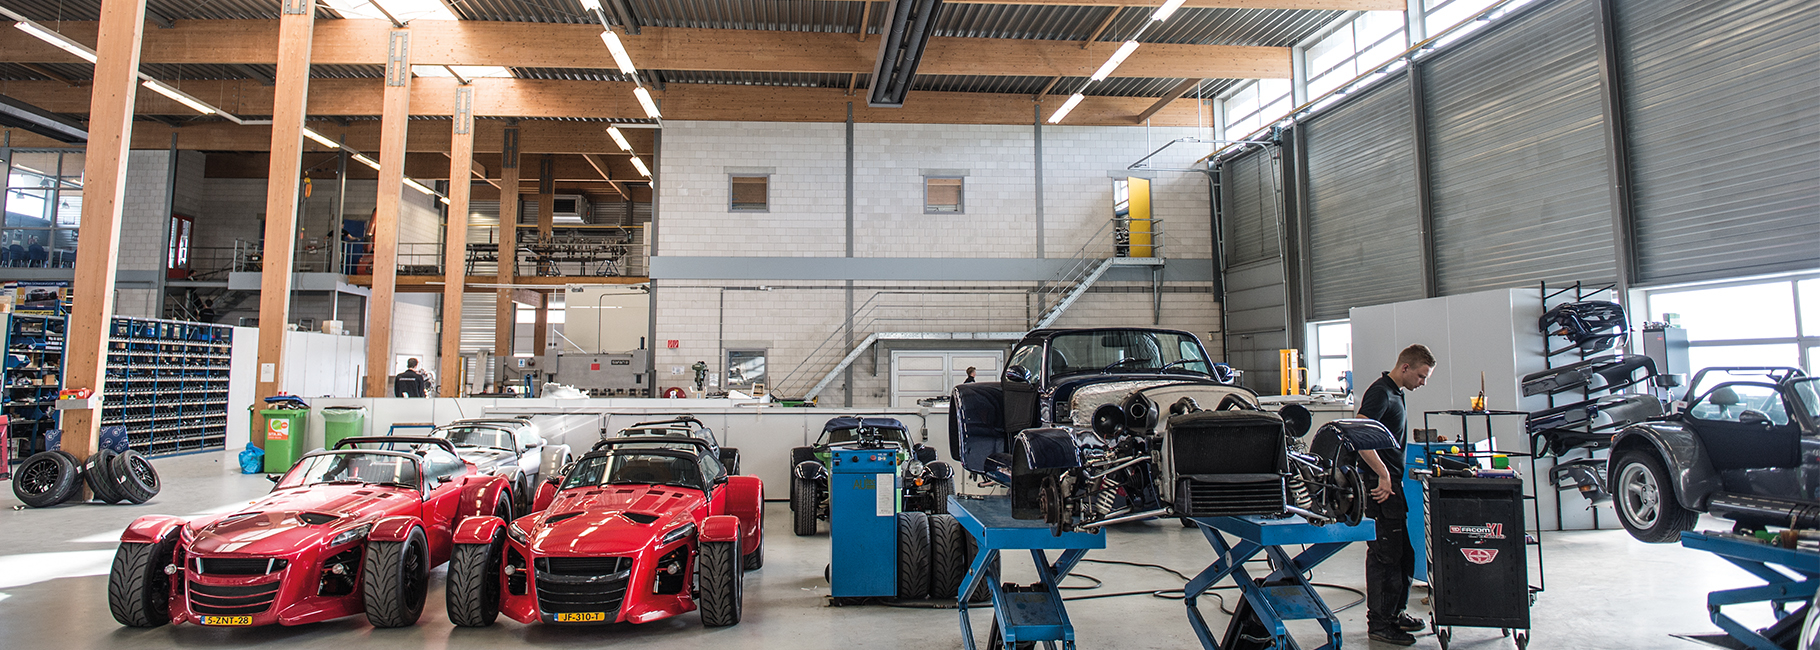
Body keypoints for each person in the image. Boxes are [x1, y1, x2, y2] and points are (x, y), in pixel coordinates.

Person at [1355, 343, 1434, 647]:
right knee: (1385, 556)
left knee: (1404, 555)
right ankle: (1380, 624)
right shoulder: (1380, 392)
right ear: (1405, 367)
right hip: (1381, 488)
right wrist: (1383, 474)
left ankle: (1396, 612)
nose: (1423, 382)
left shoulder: (1396, 393)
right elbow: (1360, 435)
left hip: (1394, 486)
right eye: (1422, 376)